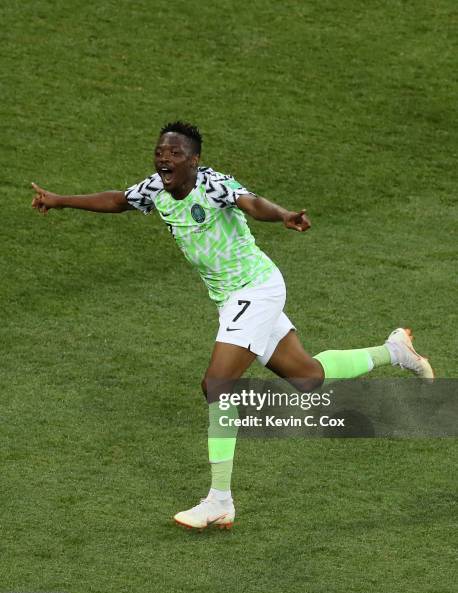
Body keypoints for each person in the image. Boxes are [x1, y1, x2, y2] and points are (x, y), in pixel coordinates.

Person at [32, 121, 434, 530]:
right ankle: (395, 350)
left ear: (194, 160)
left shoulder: (215, 185)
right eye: (159, 152)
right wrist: (60, 200)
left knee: (217, 385)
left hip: (255, 290)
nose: (163, 159)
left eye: (173, 154)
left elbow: (252, 203)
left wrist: (283, 216)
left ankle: (219, 500)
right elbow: (118, 200)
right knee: (308, 376)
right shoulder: (156, 188)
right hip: (233, 300)